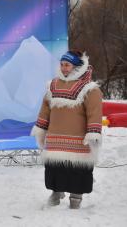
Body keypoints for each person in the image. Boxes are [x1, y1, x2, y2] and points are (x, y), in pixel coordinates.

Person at [31, 50, 103, 209]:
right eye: (62, 64)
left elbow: (94, 112)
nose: (64, 68)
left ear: (76, 66)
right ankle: (56, 192)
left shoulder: (89, 88)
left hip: (79, 141)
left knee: (77, 170)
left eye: (67, 65)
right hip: (56, 139)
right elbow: (45, 109)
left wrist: (93, 132)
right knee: (55, 169)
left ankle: (76, 197)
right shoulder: (53, 85)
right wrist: (41, 129)